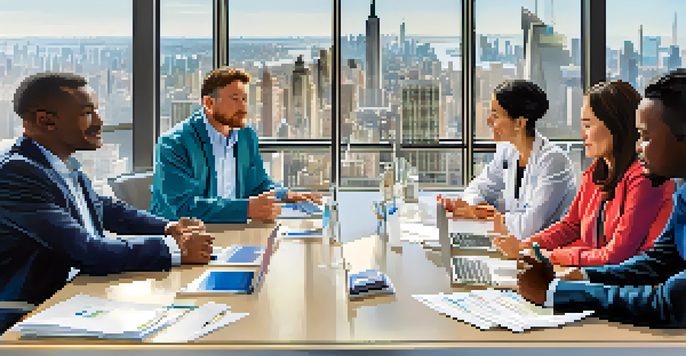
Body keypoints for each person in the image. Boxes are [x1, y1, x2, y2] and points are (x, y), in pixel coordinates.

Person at [0, 72, 214, 333]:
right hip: (32, 314)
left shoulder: (59, 166)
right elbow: (87, 250)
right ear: (46, 120)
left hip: (75, 299)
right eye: (87, 113)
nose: (99, 122)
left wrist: (169, 228)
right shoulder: (18, 175)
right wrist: (174, 248)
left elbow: (106, 209)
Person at [516, 69, 686, 328]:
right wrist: (585, 275)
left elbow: (670, 302)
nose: (638, 146)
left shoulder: (644, 179)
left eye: (646, 137)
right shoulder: (684, 194)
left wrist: (556, 293)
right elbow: (659, 262)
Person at [494, 80, 675, 267]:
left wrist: (549, 256)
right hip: (594, 275)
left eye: (588, 125)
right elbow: (571, 226)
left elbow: (617, 255)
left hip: (629, 286)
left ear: (615, 125)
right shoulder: (597, 172)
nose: (582, 134)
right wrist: (527, 246)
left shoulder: (644, 178)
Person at [150, 67, 322, 224]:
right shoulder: (173, 144)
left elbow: (258, 185)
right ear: (209, 104)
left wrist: (286, 195)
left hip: (234, 230)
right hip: (183, 240)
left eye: (245, 99)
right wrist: (246, 209)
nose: (243, 107)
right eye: (235, 99)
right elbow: (182, 208)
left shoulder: (246, 136)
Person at [441, 80, 577, 240]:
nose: (489, 122)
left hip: (544, 255)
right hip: (514, 245)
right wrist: (476, 208)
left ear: (519, 123)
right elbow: (476, 189)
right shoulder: (508, 151)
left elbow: (528, 227)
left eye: (496, 116)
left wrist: (489, 216)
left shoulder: (553, 162)